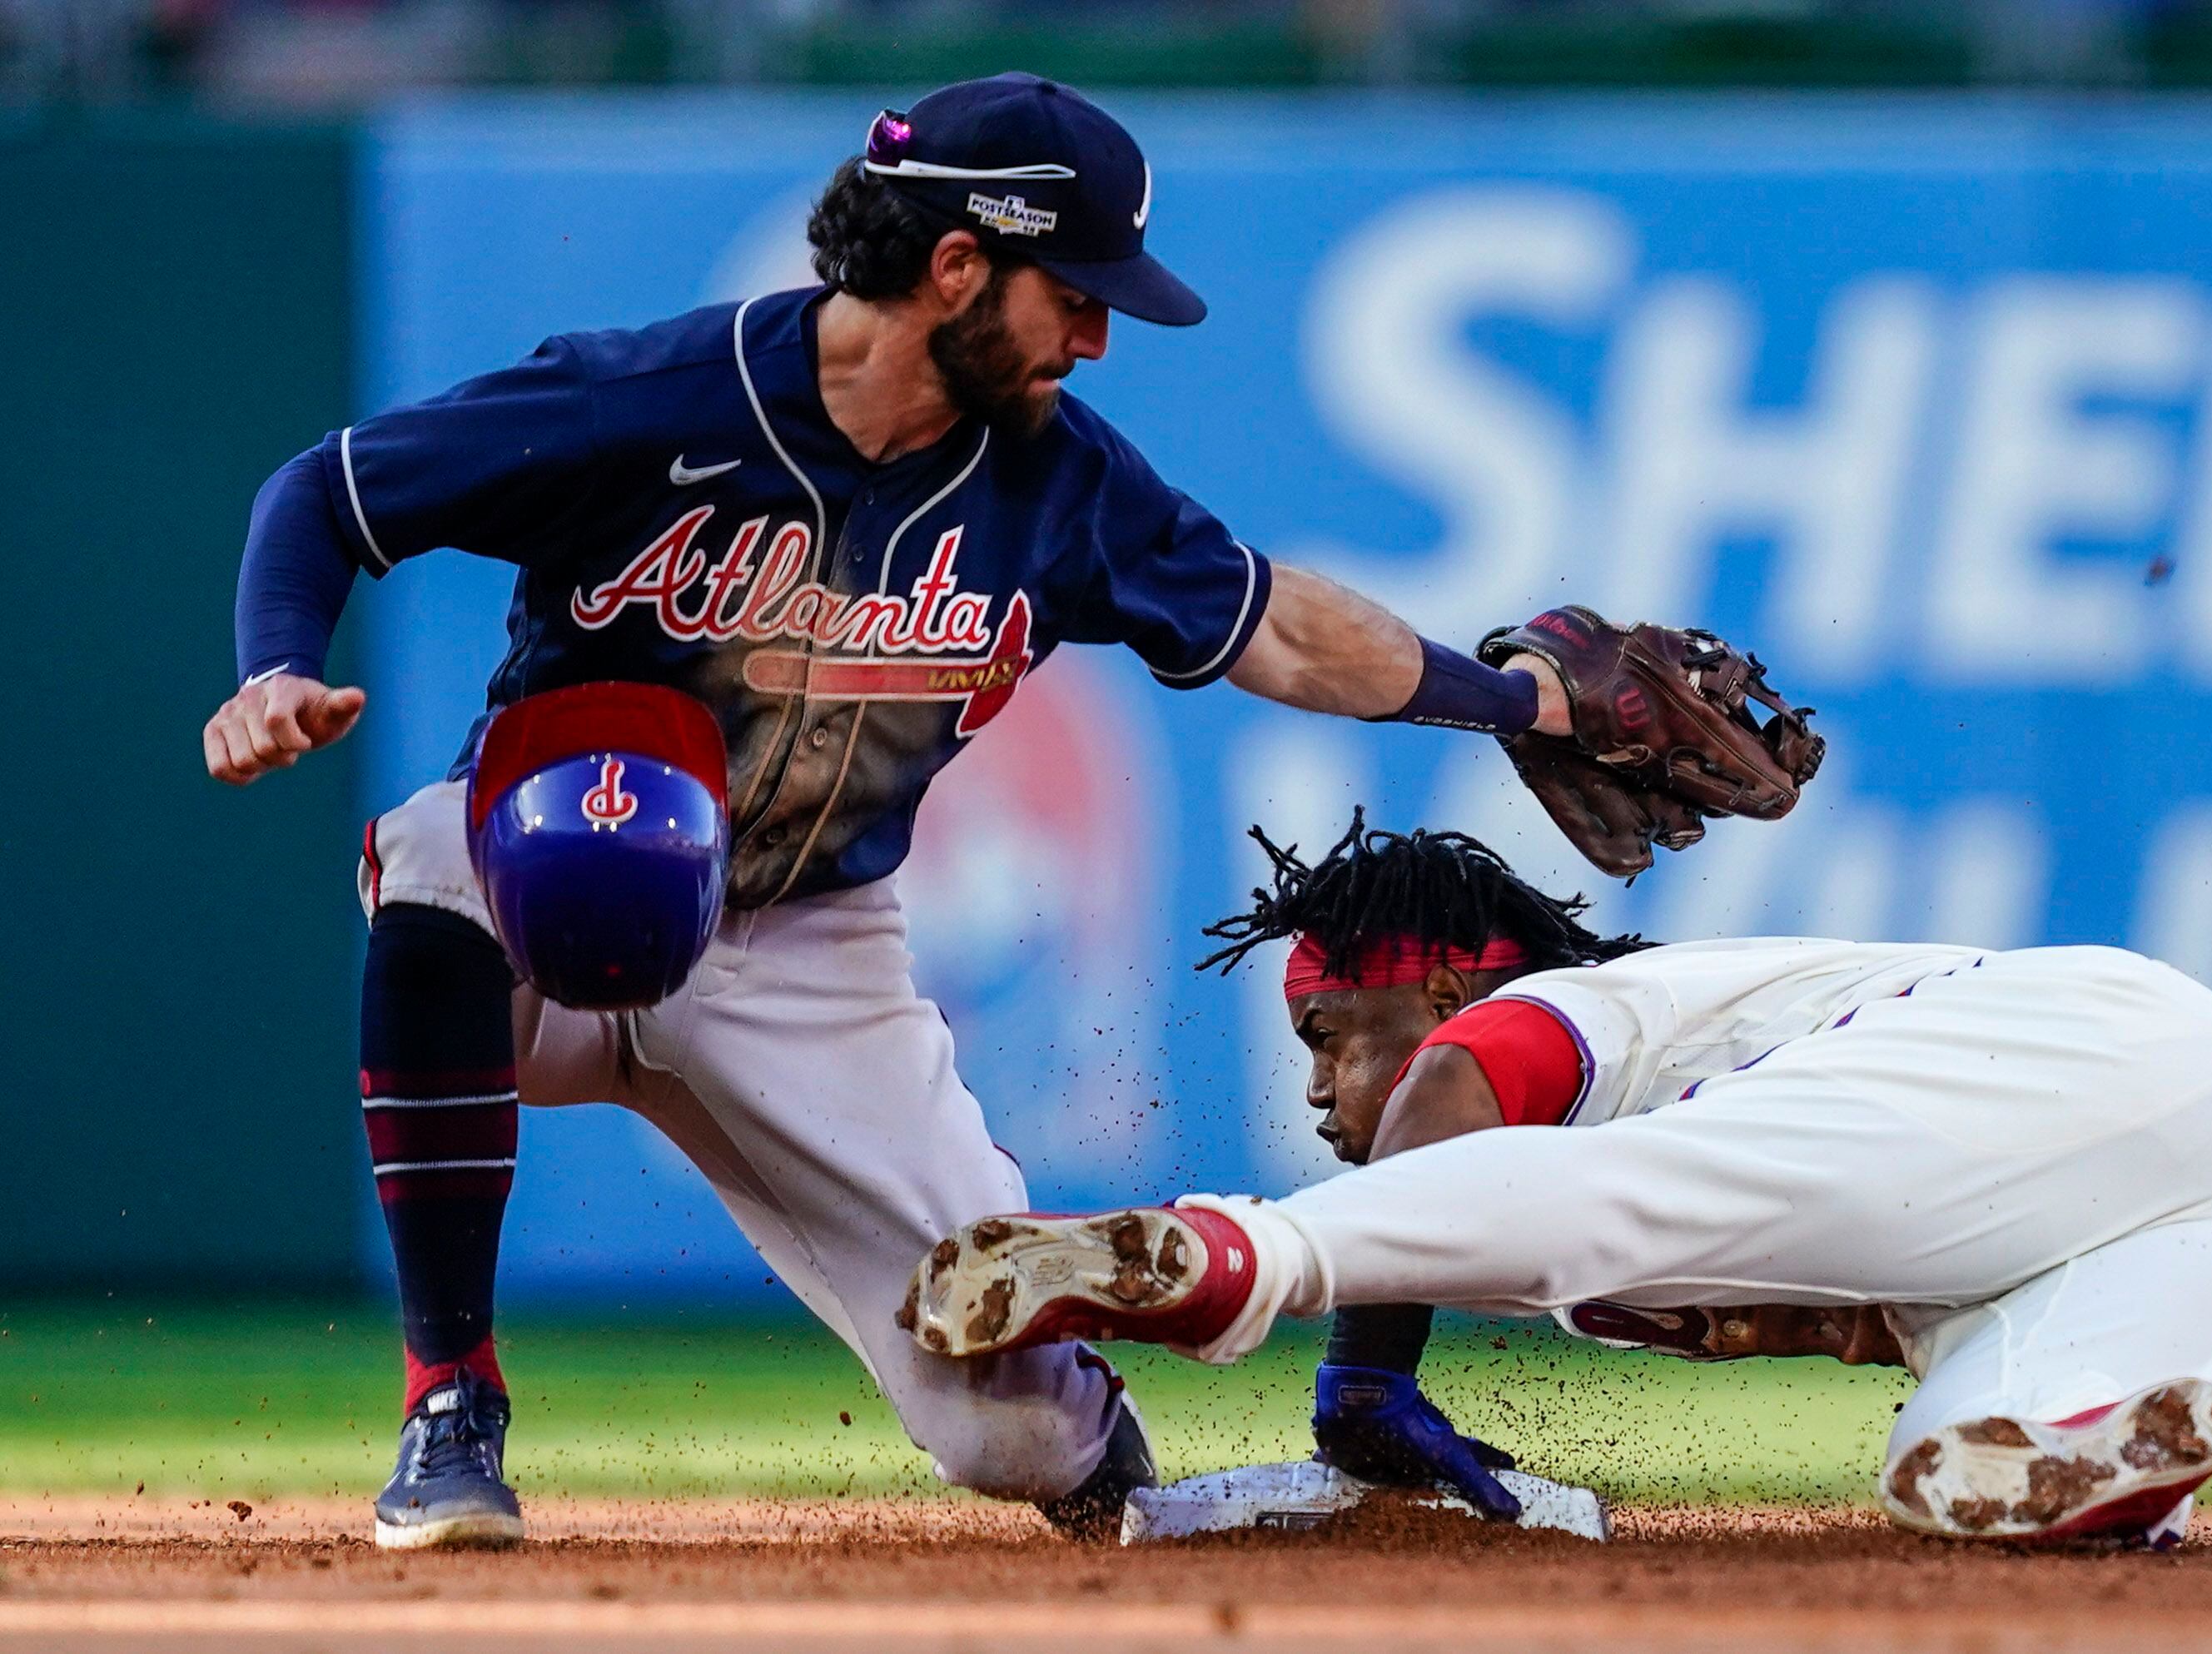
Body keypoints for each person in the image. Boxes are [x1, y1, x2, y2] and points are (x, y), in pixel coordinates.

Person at [201, 75, 1595, 1550]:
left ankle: (1104, 1466)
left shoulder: (1062, 484)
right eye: (1076, 293)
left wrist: (1512, 705)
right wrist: (274, 668)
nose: (1099, 335)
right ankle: (451, 1399)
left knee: (1005, 1424)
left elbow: (1279, 626)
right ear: (953, 269)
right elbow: (330, 494)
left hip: (813, 955)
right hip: (567, 876)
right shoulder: (655, 402)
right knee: (435, 864)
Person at [902, 817, 2212, 1546]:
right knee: (1958, 1462)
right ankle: (2085, 1456)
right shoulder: (1645, 1189)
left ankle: (1239, 1260)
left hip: (2074, 1042)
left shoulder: (1598, 1017)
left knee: (1630, 1189)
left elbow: (1457, 1097)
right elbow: (1849, 1273)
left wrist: (1358, 1373)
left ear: (1457, 980)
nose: (1316, 1087)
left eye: (1331, 1035)